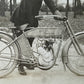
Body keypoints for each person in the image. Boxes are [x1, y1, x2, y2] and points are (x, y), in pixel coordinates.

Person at [10, 0, 62, 75]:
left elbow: (49, 2)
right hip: (22, 16)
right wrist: (55, 11)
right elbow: (27, 5)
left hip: (31, 17)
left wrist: (55, 11)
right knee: (23, 42)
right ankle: (20, 64)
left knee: (30, 40)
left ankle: (26, 62)